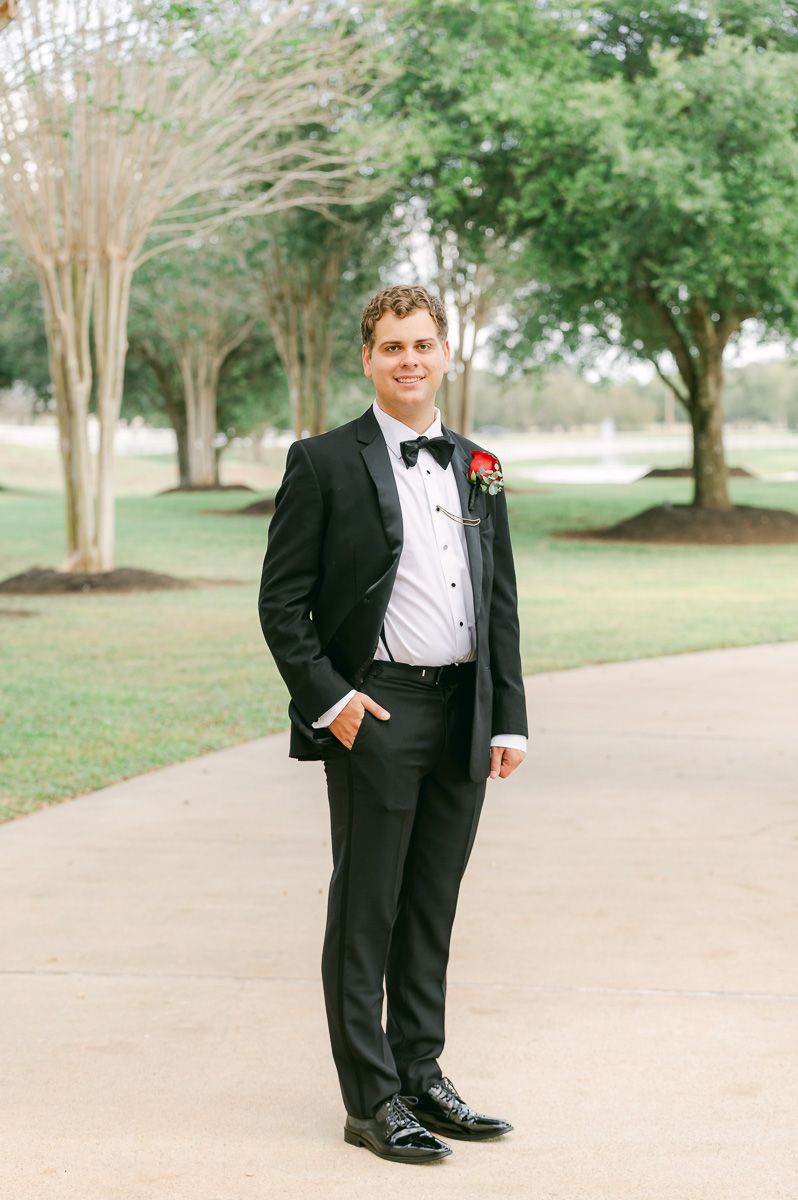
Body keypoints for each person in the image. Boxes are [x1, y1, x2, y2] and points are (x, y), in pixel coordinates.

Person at [258, 284, 528, 1165]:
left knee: (432, 904)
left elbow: (499, 600)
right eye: (391, 347)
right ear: (367, 360)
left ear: (445, 351)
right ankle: (370, 1100)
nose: (409, 359)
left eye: (422, 343)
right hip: (376, 709)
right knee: (367, 909)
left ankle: (421, 1073)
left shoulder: (478, 463)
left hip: (464, 712)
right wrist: (334, 704)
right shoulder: (324, 461)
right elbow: (283, 602)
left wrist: (508, 718)